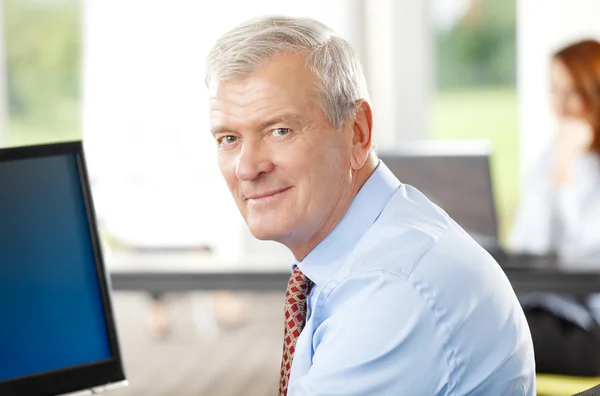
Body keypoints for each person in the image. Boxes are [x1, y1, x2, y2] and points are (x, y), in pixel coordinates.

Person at [206, 16, 535, 395]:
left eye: (280, 130)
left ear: (358, 132)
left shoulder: (391, 291)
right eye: (229, 138)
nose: (247, 167)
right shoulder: (379, 240)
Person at [508, 39, 600, 376]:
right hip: (545, 309)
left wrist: (564, 175)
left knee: (497, 338)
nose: (560, 106)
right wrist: (557, 169)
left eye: (572, 91)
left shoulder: (568, 161)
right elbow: (527, 248)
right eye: (554, 91)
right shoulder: (550, 159)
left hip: (589, 324)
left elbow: (586, 255)